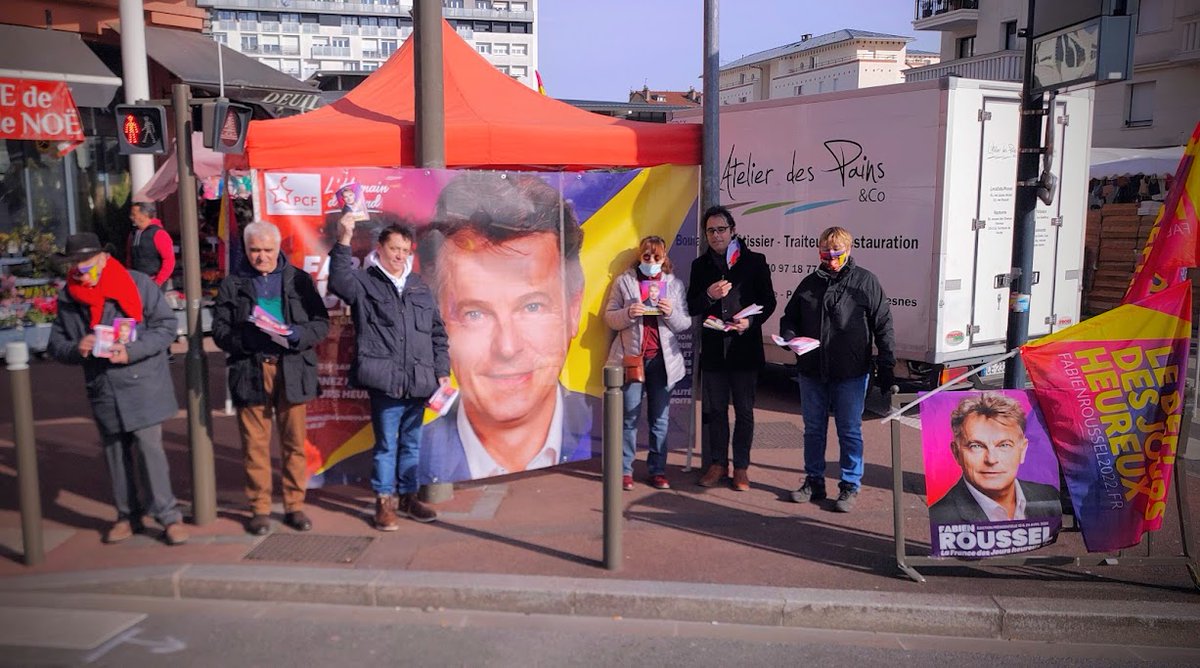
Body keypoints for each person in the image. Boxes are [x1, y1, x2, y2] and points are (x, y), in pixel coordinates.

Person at [416, 172, 595, 483]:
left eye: (532, 307)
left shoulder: (614, 433)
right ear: (439, 319)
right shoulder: (411, 458)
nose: (507, 347)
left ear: (573, 310)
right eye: (475, 314)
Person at [47, 233, 188, 546]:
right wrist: (76, 348)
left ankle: (168, 516)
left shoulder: (136, 283)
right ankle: (127, 516)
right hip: (103, 385)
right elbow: (56, 345)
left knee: (150, 450)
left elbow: (165, 326)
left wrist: (133, 350)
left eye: (87, 261)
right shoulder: (70, 297)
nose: (82, 268)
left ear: (104, 257)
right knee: (115, 453)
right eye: (75, 263)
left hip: (142, 381)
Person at [328, 216, 450, 529]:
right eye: (394, 248)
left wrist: (442, 371)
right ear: (380, 248)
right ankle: (384, 503)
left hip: (420, 380)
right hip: (385, 381)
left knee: (411, 443)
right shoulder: (365, 282)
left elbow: (437, 332)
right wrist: (344, 239)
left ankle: (408, 498)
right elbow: (339, 281)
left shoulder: (419, 285)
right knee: (386, 445)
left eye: (405, 250)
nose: (399, 255)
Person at [212, 221, 330, 536]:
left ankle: (294, 506)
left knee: (294, 444)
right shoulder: (233, 284)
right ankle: (260, 510)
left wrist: (297, 334)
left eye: (267, 250)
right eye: (254, 250)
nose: (261, 256)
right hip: (251, 370)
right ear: (246, 250)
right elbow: (220, 331)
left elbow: (321, 324)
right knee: (255, 445)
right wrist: (246, 338)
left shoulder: (299, 281)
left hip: (292, 367)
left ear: (279, 249)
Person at [781, 226, 894, 513]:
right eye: (825, 254)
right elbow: (789, 318)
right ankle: (814, 481)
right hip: (811, 370)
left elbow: (883, 325)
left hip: (851, 371)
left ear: (848, 251)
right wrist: (790, 338)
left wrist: (887, 364)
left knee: (849, 431)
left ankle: (849, 485)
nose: (830, 260)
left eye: (837, 255)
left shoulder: (865, 282)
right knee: (814, 430)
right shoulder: (809, 283)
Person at [686, 205, 776, 491]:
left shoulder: (754, 262)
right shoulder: (700, 266)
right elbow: (691, 306)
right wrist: (708, 295)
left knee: (745, 412)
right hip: (714, 351)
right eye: (710, 231)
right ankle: (717, 464)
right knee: (715, 411)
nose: (716, 235)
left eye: (721, 229)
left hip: (744, 350)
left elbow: (769, 302)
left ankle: (741, 468)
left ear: (733, 230)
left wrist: (750, 323)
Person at [604, 236, 691, 491]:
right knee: (629, 416)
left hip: (663, 362)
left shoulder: (672, 285)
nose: (651, 262)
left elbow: (685, 323)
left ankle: (658, 470)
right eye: (647, 257)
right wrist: (628, 313)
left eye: (656, 257)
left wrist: (671, 313)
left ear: (664, 259)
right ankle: (624, 470)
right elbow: (610, 318)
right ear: (640, 257)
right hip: (632, 359)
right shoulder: (625, 282)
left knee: (660, 419)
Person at [929, 392, 1061, 524]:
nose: (991, 460)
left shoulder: (1048, 496)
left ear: (1023, 450)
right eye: (976, 446)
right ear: (956, 453)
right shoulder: (940, 516)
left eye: (1004, 445)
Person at [127, 202, 175, 289]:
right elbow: (130, 257)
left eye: (134, 215)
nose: (131, 217)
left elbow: (169, 260)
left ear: (144, 215)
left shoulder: (159, 234)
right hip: (137, 281)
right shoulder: (133, 234)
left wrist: (158, 281)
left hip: (154, 280)